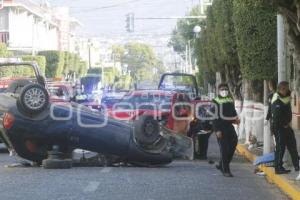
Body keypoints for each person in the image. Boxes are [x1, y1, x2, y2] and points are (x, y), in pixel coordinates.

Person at [271, 81, 300, 174]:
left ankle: (297, 166)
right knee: (280, 147)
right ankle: (278, 168)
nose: (288, 90)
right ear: (281, 89)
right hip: (278, 127)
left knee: (292, 146)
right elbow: (276, 115)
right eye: (286, 88)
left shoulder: (287, 95)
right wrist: (284, 124)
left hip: (286, 126)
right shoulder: (276, 99)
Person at [212, 83, 240, 177]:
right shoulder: (215, 101)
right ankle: (226, 170)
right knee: (224, 149)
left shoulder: (229, 100)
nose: (224, 91)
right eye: (222, 89)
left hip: (229, 126)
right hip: (220, 127)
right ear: (219, 91)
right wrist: (217, 130)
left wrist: (236, 119)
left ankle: (221, 164)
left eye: (226, 89)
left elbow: (233, 113)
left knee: (234, 143)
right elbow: (214, 117)